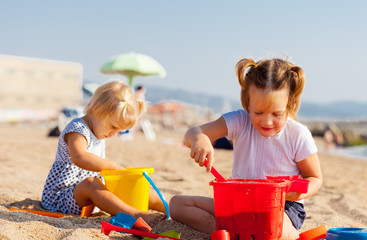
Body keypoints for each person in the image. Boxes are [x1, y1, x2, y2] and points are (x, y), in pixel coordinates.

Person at [169, 58, 323, 240]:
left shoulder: (297, 134)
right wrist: (200, 139)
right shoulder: (240, 121)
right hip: (238, 203)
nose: (267, 121)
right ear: (247, 103)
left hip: (281, 206)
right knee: (177, 204)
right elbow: (193, 132)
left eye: (277, 114)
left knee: (273, 227)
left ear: (289, 104)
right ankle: (231, 232)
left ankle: (242, 233)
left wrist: (298, 192)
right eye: (258, 112)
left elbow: (315, 177)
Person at [41, 80, 166, 224]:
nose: (114, 133)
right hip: (60, 197)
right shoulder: (77, 128)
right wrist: (112, 166)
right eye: (113, 126)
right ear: (96, 108)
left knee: (132, 187)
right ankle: (136, 214)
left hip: (84, 198)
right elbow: (79, 157)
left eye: (119, 130)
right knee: (91, 183)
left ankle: (167, 206)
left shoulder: (99, 131)